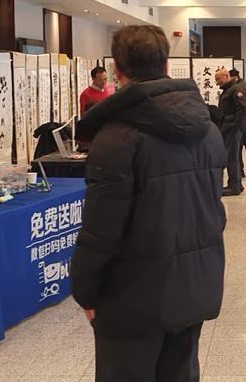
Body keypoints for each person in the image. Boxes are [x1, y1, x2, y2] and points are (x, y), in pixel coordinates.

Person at [71, 25, 226, 382]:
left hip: (131, 293)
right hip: (194, 281)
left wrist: (85, 289)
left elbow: (102, 229)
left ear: (116, 70)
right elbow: (214, 210)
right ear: (167, 64)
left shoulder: (115, 137)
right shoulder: (208, 130)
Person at [215, 68, 246, 196]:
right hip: (227, 128)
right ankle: (237, 184)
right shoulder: (228, 90)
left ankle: (234, 186)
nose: (217, 82)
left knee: (231, 158)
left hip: (232, 129)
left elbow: (242, 111)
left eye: (218, 79)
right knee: (231, 157)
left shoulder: (236, 90)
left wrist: (235, 129)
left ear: (226, 76)